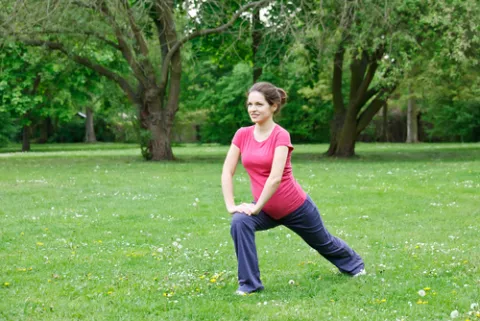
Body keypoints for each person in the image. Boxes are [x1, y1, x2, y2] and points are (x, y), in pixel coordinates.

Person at [221, 82, 365, 295]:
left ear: (274, 106)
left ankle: (355, 265)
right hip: (265, 210)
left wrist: (256, 207)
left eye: (259, 104)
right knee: (239, 222)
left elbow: (275, 178)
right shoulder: (242, 134)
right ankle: (249, 284)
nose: (253, 109)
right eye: (250, 104)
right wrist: (231, 205)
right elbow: (227, 171)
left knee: (323, 242)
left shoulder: (281, 135)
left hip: (295, 207)